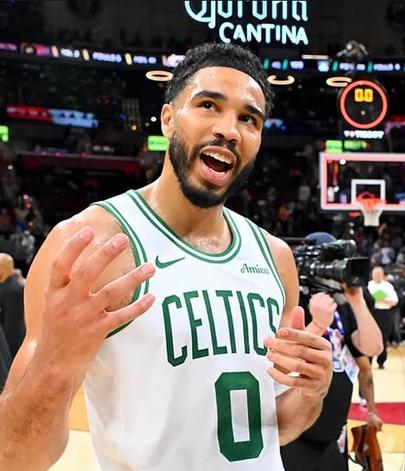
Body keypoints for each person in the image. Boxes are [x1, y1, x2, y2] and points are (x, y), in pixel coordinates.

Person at [0, 43, 333, 470]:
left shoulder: (275, 257)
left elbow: (277, 425)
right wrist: (53, 363)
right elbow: (15, 456)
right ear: (168, 118)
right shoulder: (89, 244)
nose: (229, 129)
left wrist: (310, 391)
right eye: (209, 105)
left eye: (248, 119)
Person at [281, 232, 383, 471]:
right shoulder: (290, 300)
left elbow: (373, 347)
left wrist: (357, 301)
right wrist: (317, 325)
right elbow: (283, 359)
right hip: (295, 436)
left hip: (332, 434)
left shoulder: (340, 305)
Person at [367, 266, 399, 368]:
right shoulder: (368, 285)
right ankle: (368, 361)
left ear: (382, 275)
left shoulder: (388, 286)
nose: (377, 276)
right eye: (375, 274)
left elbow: (395, 301)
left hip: (385, 313)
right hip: (371, 312)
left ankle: (381, 361)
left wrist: (382, 300)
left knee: (383, 337)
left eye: (379, 274)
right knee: (370, 337)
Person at [0, 253, 24, 359]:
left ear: (2, 269)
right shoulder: (5, 286)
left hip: (10, 346)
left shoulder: (12, 291)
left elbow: (12, 325)